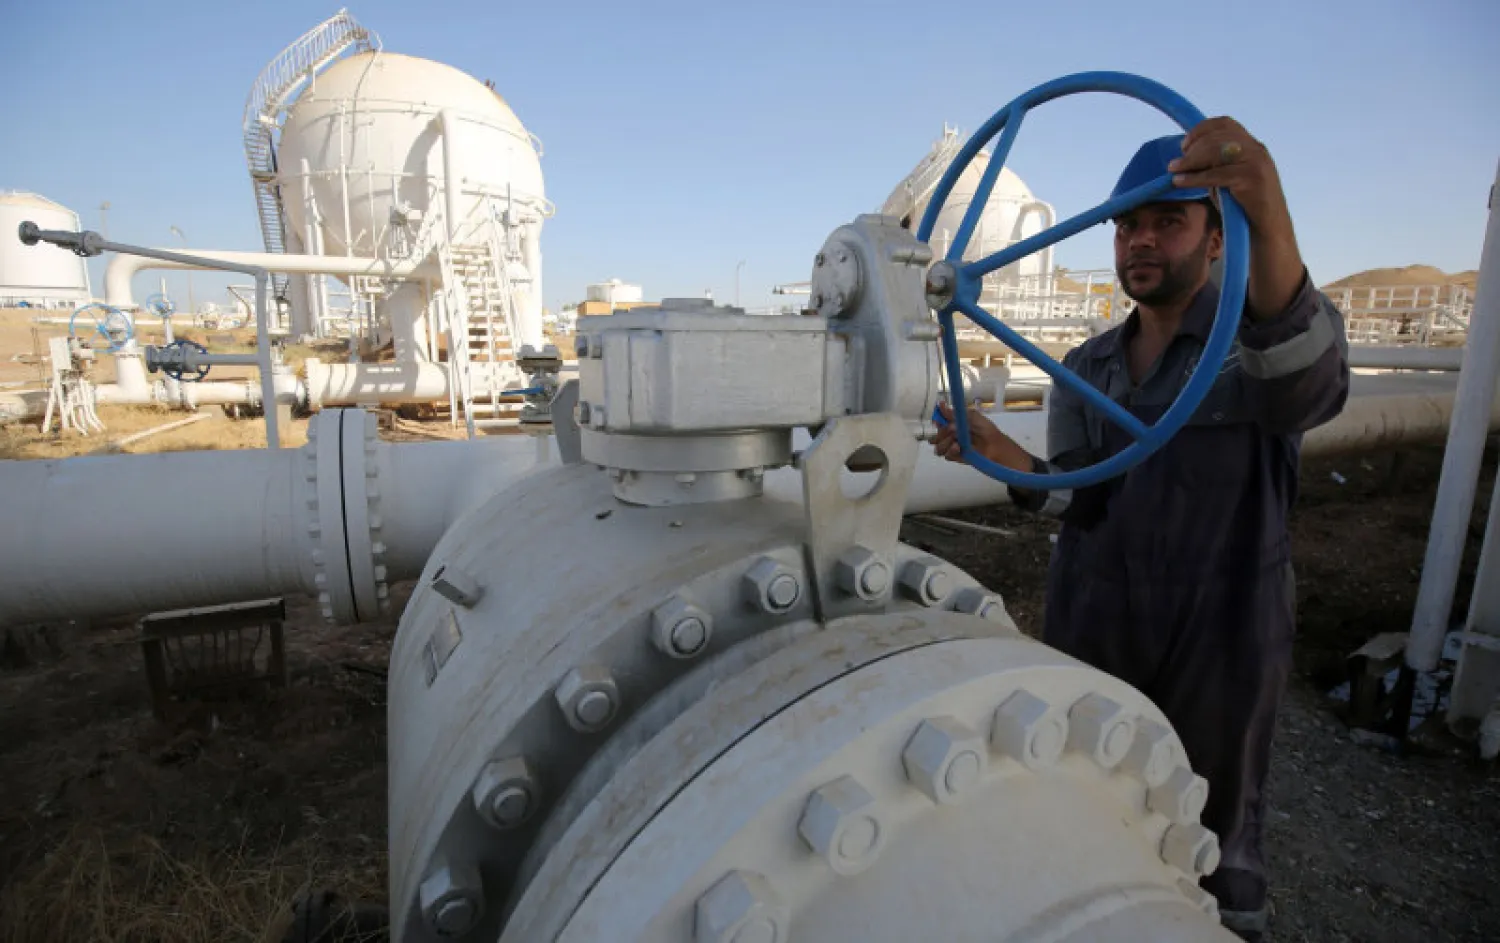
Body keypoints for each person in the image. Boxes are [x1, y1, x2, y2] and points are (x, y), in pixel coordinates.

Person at [934, 120, 1349, 941]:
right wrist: (1009, 457)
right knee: (1087, 794)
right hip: (1097, 619)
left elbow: (1309, 389)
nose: (1141, 241)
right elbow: (1081, 502)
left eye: (1168, 220)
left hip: (1223, 628)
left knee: (1213, 826)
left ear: (1217, 234)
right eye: (1127, 225)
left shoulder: (1254, 349)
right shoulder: (1083, 367)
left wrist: (1272, 213)